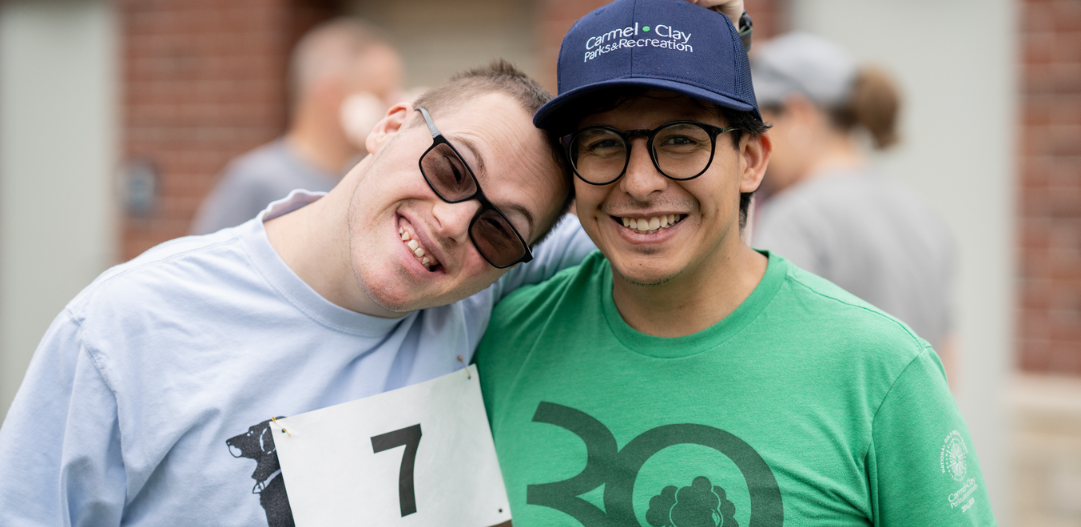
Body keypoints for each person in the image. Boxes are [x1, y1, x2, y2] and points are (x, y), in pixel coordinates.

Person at [0, 62, 596, 526]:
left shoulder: (470, 294)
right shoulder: (127, 326)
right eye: (450, 169)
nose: (452, 222)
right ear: (389, 127)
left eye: (498, 229)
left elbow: (639, 222)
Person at [474, 0, 996, 525]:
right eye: (602, 144)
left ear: (751, 160)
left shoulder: (880, 373)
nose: (638, 183)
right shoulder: (505, 342)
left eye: (680, 141)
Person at [750, 32, 956, 356]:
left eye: (759, 122)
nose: (751, 144)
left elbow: (773, 350)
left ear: (799, 113)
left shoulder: (796, 217)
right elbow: (945, 354)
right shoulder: (923, 213)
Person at [191, 17, 404, 235]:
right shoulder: (255, 182)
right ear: (332, 94)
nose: (393, 105)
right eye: (380, 93)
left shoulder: (368, 179)